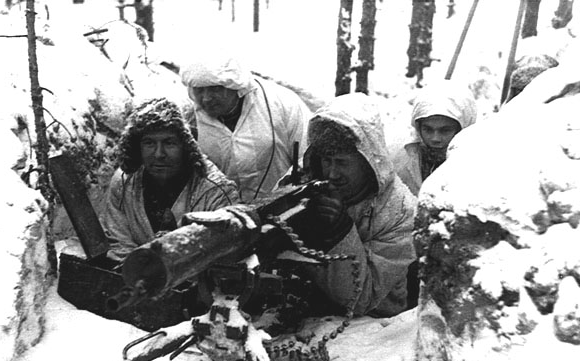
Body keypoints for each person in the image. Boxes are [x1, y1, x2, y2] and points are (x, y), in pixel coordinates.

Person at [289, 92, 417, 318]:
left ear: (367, 162)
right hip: (304, 310)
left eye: (342, 163)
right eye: (326, 161)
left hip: (375, 325)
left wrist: (339, 231)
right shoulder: (304, 180)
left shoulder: (400, 211)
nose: (331, 173)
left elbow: (363, 298)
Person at [102, 97, 240, 261]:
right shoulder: (124, 181)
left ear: (187, 146)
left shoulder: (215, 192)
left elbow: (226, 253)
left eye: (169, 143)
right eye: (149, 143)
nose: (159, 154)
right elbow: (118, 243)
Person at [180, 52, 310, 202]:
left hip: (280, 208)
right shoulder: (187, 116)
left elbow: (307, 157)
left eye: (215, 89)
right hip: (217, 216)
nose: (206, 98)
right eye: (199, 90)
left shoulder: (282, 103)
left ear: (235, 86)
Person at [392, 80, 477, 196]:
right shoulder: (400, 158)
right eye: (428, 129)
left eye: (445, 130)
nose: (435, 139)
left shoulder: (476, 165)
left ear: (462, 129)